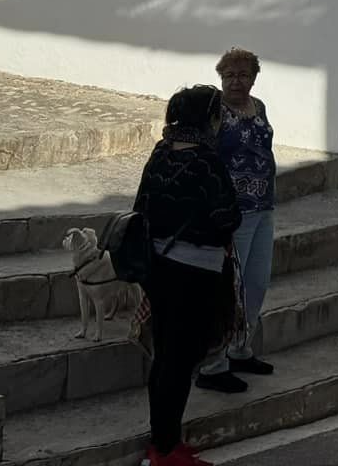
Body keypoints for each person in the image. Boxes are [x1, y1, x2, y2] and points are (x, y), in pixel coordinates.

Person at [135, 84, 241, 466]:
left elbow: (140, 208)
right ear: (207, 118)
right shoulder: (207, 161)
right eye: (217, 115)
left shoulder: (161, 152)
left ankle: (162, 441)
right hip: (195, 273)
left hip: (158, 268)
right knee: (181, 362)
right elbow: (228, 216)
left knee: (165, 356)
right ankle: (165, 451)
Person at [199, 47, 275, 392]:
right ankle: (214, 366)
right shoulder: (215, 113)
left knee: (256, 283)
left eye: (243, 75)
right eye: (229, 75)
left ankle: (242, 349)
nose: (236, 81)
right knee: (230, 289)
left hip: (262, 206)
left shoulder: (258, 107)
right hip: (232, 212)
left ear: (254, 78)